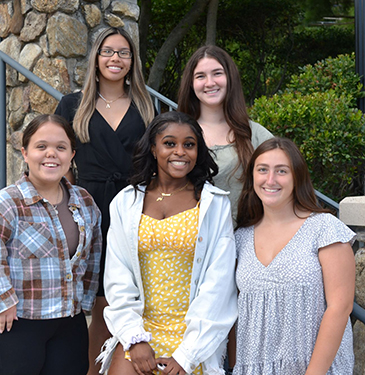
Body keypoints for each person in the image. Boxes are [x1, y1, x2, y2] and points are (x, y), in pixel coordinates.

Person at [97, 111, 238, 375]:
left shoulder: (214, 204)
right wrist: (134, 339)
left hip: (194, 336)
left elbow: (219, 284)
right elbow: (118, 277)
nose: (180, 152)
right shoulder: (126, 202)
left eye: (189, 144)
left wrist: (187, 354)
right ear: (153, 148)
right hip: (140, 330)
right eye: (170, 143)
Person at [0, 114, 102, 375]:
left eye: (60, 147)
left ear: (71, 155)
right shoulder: (9, 202)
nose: (51, 154)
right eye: (41, 146)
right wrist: (2, 298)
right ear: (25, 153)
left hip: (67, 321)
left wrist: (86, 298)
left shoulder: (84, 201)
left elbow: (93, 250)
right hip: (17, 320)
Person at [55, 27, 155, 374]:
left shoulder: (145, 104)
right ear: (96, 58)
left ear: (133, 61)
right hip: (88, 207)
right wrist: (65, 205)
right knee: (98, 303)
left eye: (124, 53)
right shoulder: (71, 104)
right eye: (109, 52)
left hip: (132, 206)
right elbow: (62, 160)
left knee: (118, 301)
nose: (116, 59)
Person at [234, 137, 355, 374]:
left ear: (297, 176)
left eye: (281, 171)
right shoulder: (241, 238)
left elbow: (340, 308)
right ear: (252, 177)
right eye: (262, 170)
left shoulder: (324, 228)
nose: (270, 180)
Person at [177, 45, 273, 225]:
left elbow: (286, 180)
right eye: (200, 76)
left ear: (230, 78)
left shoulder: (255, 134)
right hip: (190, 243)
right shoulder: (176, 136)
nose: (210, 82)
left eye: (217, 73)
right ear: (191, 83)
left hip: (247, 243)